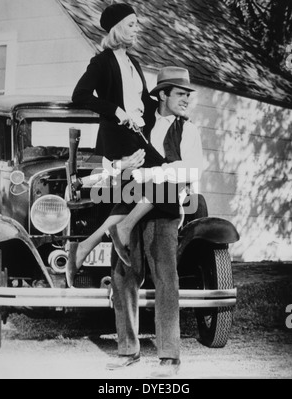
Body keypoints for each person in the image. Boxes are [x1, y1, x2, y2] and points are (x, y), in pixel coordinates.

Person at [66, 3, 181, 287]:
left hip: (137, 136)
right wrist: (116, 111)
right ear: (117, 28)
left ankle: (88, 244)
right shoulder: (102, 61)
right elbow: (79, 95)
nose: (136, 28)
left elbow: (144, 103)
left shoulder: (134, 63)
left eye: (136, 24)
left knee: (149, 189)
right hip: (117, 137)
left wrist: (171, 104)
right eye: (131, 24)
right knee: (167, 183)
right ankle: (123, 229)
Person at [106, 66, 204, 378]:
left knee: (166, 280)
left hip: (164, 213)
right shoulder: (138, 126)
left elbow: (189, 173)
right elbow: (115, 166)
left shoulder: (189, 131)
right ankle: (128, 350)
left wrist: (147, 174)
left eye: (188, 94)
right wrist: (133, 169)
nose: (186, 99)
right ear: (162, 94)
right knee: (123, 277)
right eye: (180, 93)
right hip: (131, 204)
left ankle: (169, 358)